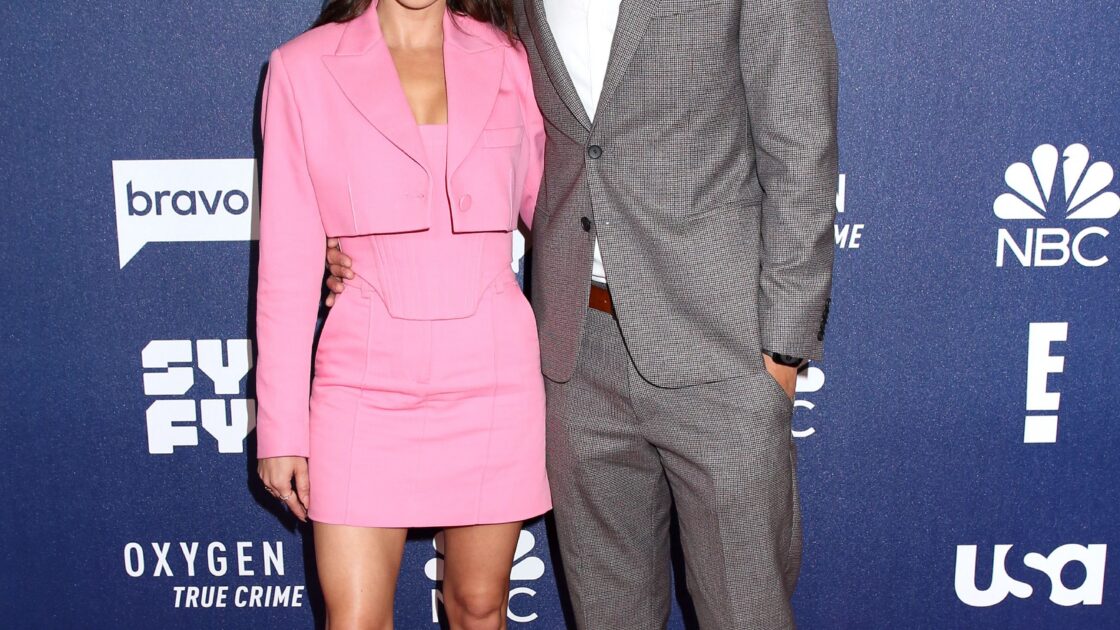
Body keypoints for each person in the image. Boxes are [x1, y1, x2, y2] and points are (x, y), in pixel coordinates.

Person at [329, 0, 838, 626]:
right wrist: (360, 239)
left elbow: (802, 147)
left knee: (745, 614)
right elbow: (459, 117)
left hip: (721, 349)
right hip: (573, 348)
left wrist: (782, 349)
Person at [254, 0, 550, 627]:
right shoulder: (301, 69)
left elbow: (559, 211)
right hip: (365, 380)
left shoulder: (510, 58)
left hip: (491, 374)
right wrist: (282, 427)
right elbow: (285, 266)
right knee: (355, 618)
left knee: (479, 606)